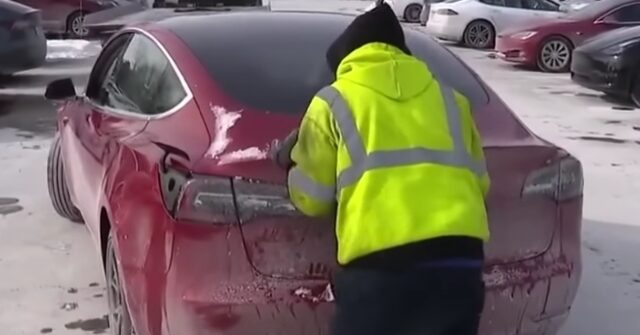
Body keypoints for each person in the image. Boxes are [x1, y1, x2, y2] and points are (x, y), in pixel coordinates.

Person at [270, 3, 490, 335]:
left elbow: (312, 199)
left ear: (346, 61)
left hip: (382, 270)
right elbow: (480, 183)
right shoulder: (452, 100)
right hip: (460, 264)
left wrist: (293, 163)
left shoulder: (332, 101)